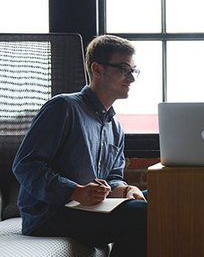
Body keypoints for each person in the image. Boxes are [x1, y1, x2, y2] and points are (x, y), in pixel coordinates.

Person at [12, 35, 147, 256]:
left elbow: (112, 177)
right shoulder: (63, 107)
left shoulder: (115, 127)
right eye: (124, 69)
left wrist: (125, 189)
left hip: (89, 209)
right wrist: (74, 191)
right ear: (97, 69)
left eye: (133, 70)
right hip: (50, 214)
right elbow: (26, 165)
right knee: (140, 213)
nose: (131, 78)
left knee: (159, 199)